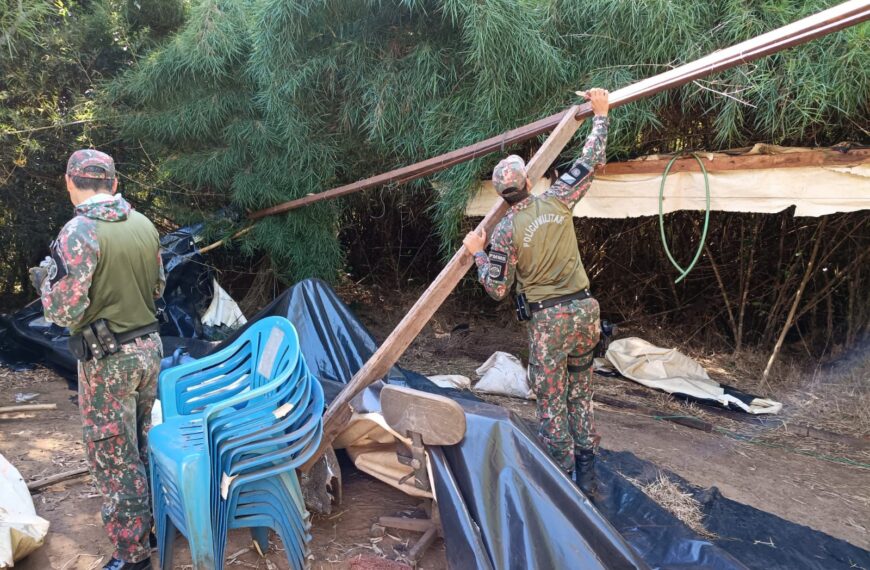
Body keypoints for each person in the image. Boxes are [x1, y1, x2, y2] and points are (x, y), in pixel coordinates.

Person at [462, 88, 609, 495]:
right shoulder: (559, 199)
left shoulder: (505, 231)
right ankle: (590, 476)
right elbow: (589, 160)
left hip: (550, 324)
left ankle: (561, 486)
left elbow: (496, 289)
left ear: (500, 195)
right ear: (528, 180)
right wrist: (601, 114)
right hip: (585, 314)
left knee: (551, 401)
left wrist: (477, 253)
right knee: (580, 392)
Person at [30, 149, 165, 570]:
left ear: (70, 182)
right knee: (141, 444)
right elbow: (159, 287)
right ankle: (151, 527)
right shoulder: (143, 224)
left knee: (113, 455)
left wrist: (44, 286)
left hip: (109, 361)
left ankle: (132, 554)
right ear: (113, 182)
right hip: (149, 349)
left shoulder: (79, 231)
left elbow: (63, 312)